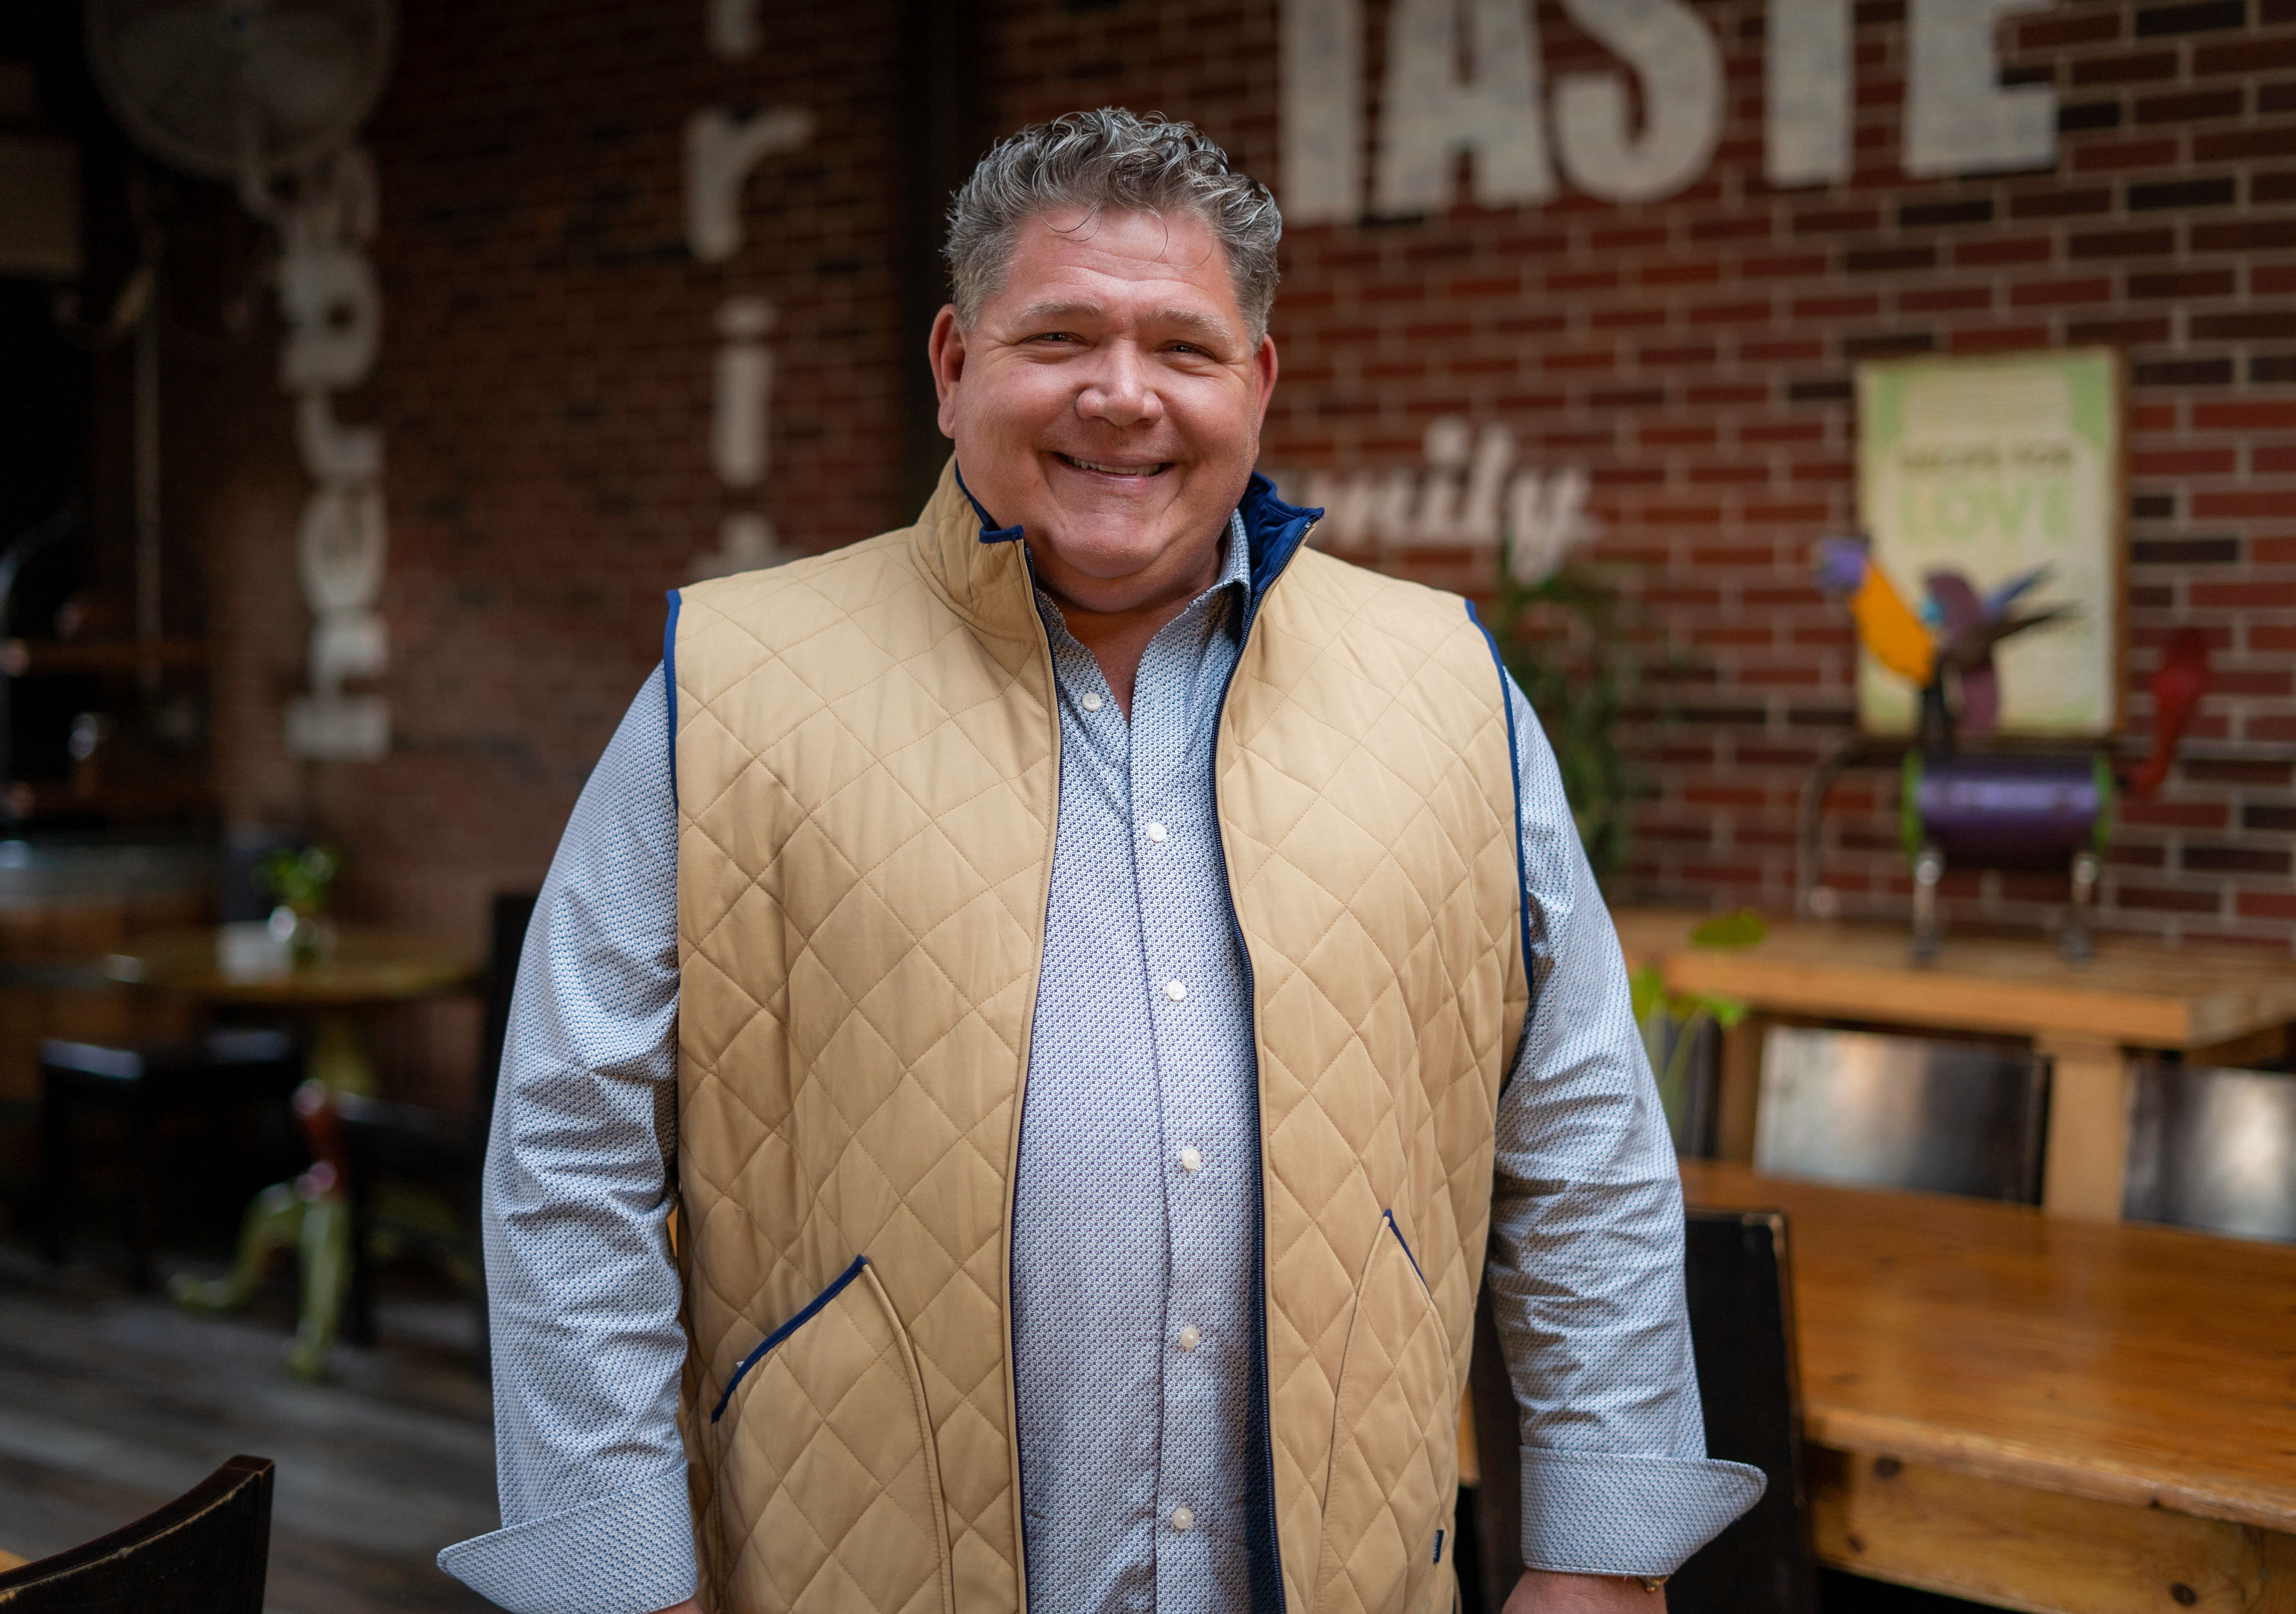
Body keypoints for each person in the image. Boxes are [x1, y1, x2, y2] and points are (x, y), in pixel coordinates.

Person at [439, 108, 1761, 1614]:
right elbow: (570, 1152)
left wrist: (1602, 1552)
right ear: (954, 366)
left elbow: (1582, 1136)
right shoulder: (732, 686)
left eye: (1184, 349)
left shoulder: (1448, 686)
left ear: (1257, 383)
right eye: (1060, 336)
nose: (1123, 396)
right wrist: (618, 1582)